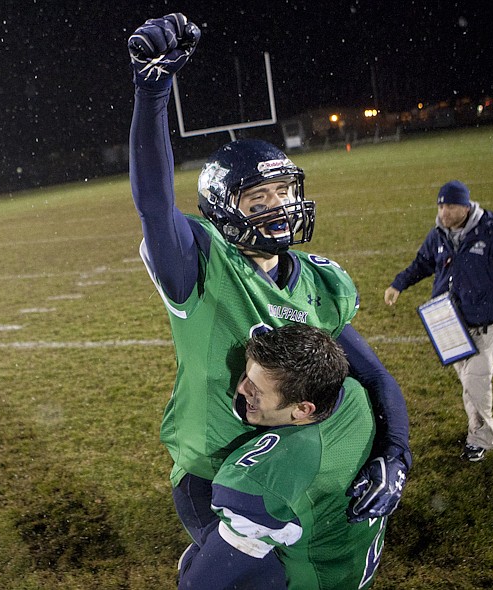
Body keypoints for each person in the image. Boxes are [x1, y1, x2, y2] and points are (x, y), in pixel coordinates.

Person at [127, 12, 410, 550]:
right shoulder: (199, 265)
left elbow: (375, 378)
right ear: (222, 211)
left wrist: (395, 456)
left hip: (289, 458)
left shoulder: (320, 285)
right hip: (213, 469)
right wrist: (153, 93)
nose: (278, 208)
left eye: (283, 193)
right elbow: (153, 200)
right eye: (258, 199)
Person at [178, 324, 386, 590]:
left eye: (256, 389)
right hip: (349, 566)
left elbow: (198, 584)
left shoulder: (270, 479)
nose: (241, 389)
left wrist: (193, 562)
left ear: (302, 409)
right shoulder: (353, 396)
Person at [384, 180, 493, 462]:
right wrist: (399, 284)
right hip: (448, 320)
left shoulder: (492, 234)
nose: (444, 211)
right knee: (470, 382)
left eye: (451, 206)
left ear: (466, 206)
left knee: (476, 379)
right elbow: (421, 263)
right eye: (441, 205)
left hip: (485, 320)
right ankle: (476, 429)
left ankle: (481, 437)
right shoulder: (438, 235)